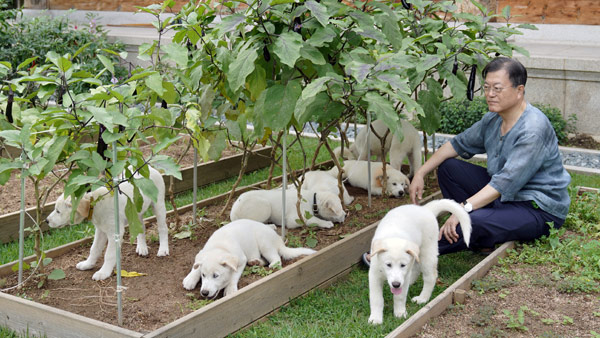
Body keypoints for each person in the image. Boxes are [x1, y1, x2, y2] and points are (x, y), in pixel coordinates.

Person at [408, 57, 571, 255]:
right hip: (505, 197)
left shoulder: (532, 130)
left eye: (497, 88)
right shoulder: (494, 119)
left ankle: (406, 253)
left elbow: (505, 183)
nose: (490, 94)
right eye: (486, 87)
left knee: (472, 221)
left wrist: (462, 210)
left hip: (536, 208)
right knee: (449, 169)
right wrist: (421, 173)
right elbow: (457, 144)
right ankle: (484, 235)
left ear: (519, 90)